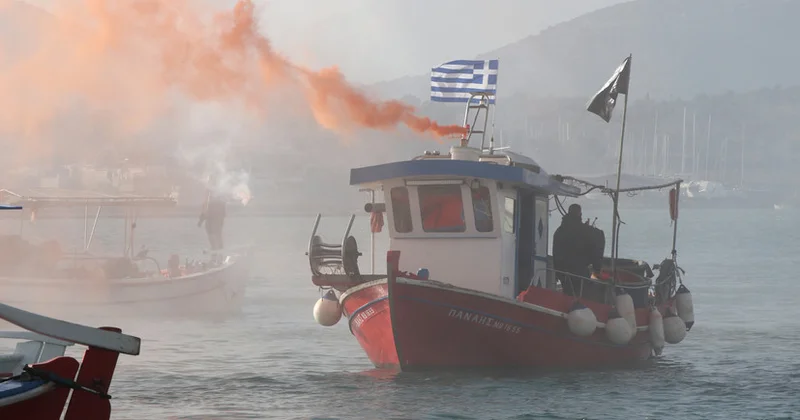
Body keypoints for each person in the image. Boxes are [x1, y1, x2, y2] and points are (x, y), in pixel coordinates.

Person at [552, 204, 604, 299]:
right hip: (580, 271)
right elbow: (599, 238)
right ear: (580, 214)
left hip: (564, 271)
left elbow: (555, 254)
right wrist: (597, 268)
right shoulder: (586, 231)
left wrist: (557, 273)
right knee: (580, 295)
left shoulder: (559, 231)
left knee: (568, 294)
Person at [198, 179, 226, 254]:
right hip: (217, 217)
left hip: (212, 218)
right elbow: (223, 208)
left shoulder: (209, 192)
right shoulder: (219, 193)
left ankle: (216, 251)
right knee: (218, 234)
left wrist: (200, 221)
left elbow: (205, 208)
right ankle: (219, 251)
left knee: (213, 234)